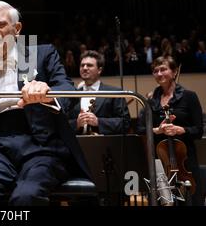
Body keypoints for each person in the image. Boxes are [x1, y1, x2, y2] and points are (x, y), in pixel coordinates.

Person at [0, 1, 91, 206]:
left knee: (26, 198)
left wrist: (47, 93)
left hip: (42, 145)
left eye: (1, 24)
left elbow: (68, 90)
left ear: (17, 29)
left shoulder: (44, 53)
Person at [137, 56, 204, 205]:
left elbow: (198, 130)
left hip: (185, 161)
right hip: (160, 162)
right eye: (155, 71)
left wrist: (181, 130)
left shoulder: (189, 97)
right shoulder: (150, 100)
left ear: (174, 72)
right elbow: (141, 129)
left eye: (163, 69)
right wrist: (157, 130)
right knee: (163, 201)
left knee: (191, 199)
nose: (159, 73)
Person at [68, 50, 131, 135]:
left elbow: (126, 123)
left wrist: (98, 122)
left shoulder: (115, 92)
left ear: (99, 70)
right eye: (82, 65)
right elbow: (62, 124)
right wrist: (76, 124)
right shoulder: (71, 94)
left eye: (89, 65)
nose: (85, 68)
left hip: (106, 145)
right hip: (78, 145)